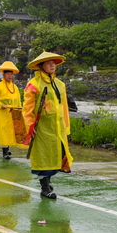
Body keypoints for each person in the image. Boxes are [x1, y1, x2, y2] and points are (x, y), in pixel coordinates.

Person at [22, 51, 73, 199]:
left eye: (53, 62)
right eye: (48, 62)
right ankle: (45, 188)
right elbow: (27, 108)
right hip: (42, 128)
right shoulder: (33, 84)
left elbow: (63, 107)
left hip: (57, 127)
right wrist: (30, 126)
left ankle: (47, 182)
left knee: (56, 156)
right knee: (43, 158)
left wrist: (65, 126)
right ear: (40, 66)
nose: (52, 65)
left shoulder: (60, 84)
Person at [0, 61, 27, 160]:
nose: (10, 76)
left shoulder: (15, 87)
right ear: (3, 75)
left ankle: (8, 148)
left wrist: (20, 110)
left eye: (11, 74)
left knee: (12, 130)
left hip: (14, 113)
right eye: (8, 74)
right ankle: (4, 151)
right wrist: (0, 104)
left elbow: (18, 100)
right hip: (3, 113)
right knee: (4, 131)